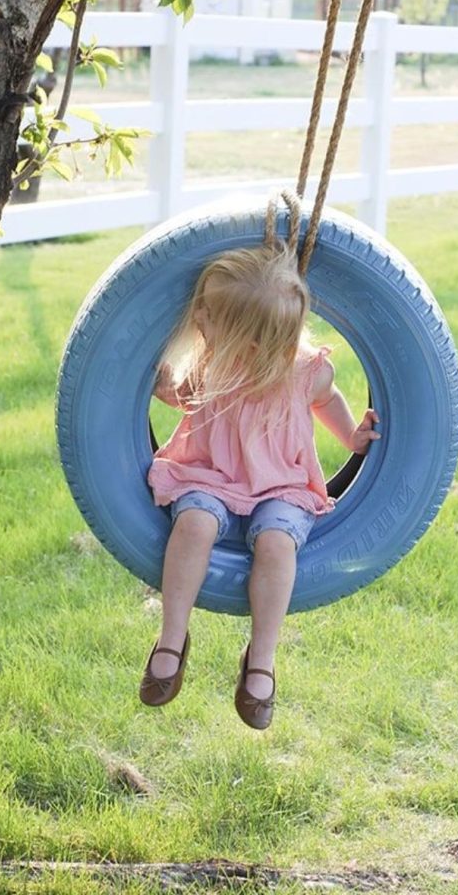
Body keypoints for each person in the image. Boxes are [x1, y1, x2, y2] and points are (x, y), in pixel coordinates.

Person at [139, 243, 381, 729]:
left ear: (247, 338)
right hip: (210, 474)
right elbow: (178, 395)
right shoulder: (211, 363)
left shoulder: (306, 371)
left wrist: (352, 436)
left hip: (280, 486)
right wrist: (155, 377)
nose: (199, 315)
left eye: (210, 314)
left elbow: (328, 400)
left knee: (276, 543)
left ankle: (262, 659)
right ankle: (171, 638)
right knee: (194, 523)